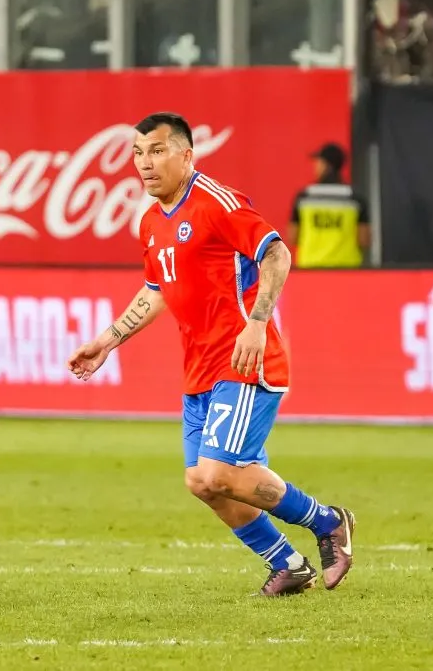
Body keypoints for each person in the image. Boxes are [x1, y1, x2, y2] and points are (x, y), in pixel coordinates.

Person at [66, 112, 356, 597]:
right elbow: (157, 290)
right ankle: (288, 563)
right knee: (203, 482)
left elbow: (277, 254)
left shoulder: (216, 203)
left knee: (222, 472)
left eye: (157, 151)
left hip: (243, 362)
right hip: (199, 370)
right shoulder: (151, 224)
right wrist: (107, 340)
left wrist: (258, 323)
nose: (145, 163)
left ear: (186, 154)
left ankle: (328, 523)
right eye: (137, 153)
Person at [289, 142, 370, 269]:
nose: (315, 166)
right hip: (347, 269)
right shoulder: (355, 198)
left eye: (318, 162)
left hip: (309, 268)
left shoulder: (304, 197)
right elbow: (364, 240)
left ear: (326, 165)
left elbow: (293, 237)